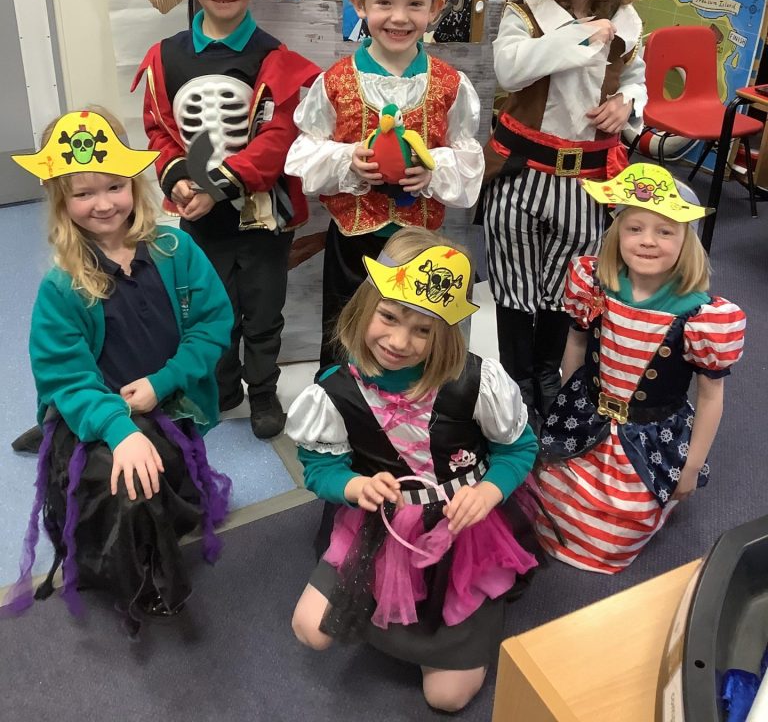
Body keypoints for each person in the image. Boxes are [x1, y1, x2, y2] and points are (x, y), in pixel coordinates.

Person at [286, 228, 538, 712]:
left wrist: (490, 490)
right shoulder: (334, 392)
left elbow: (518, 448)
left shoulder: (476, 381)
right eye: (388, 317)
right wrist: (352, 485)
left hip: (464, 531)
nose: (399, 341)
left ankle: (475, 616)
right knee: (310, 629)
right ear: (366, 306)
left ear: (446, 332)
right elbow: (319, 468)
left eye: (423, 330)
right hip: (382, 527)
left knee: (446, 698)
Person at [3, 109, 233, 631]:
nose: (104, 204)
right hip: (104, 406)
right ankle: (138, 577)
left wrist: (162, 382)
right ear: (61, 201)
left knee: (168, 480)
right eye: (84, 194)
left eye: (114, 187)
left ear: (134, 183)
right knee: (127, 484)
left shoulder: (177, 250)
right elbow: (66, 375)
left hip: (166, 397)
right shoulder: (62, 286)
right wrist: (118, 429)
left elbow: (212, 324)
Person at [132, 0, 319, 439]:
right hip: (199, 209)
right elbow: (159, 128)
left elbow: (279, 137)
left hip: (263, 213)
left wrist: (219, 184)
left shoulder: (275, 58)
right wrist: (179, 180)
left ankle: (262, 392)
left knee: (263, 309)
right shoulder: (166, 56)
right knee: (209, 307)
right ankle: (221, 385)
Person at [483, 0, 649, 422]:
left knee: (565, 283)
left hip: (588, 177)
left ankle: (546, 375)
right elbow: (510, 70)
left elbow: (637, 76)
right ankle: (515, 380)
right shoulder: (524, 3)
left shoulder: (627, 18)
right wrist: (581, 35)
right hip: (522, 170)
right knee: (515, 280)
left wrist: (628, 102)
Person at [284, 0, 484, 369]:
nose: (399, 17)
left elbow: (468, 156)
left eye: (415, 4)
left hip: (420, 246)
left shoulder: (451, 84)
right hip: (353, 243)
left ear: (435, 8)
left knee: (412, 335)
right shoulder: (334, 82)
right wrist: (348, 160)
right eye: (384, 3)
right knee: (345, 328)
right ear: (359, 4)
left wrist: (433, 170)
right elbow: (303, 152)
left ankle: (407, 400)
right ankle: (339, 398)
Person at [533, 165, 746, 573]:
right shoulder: (594, 285)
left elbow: (710, 397)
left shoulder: (701, 318)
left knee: (617, 530)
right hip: (588, 415)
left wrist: (692, 467)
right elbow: (576, 343)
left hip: (650, 433)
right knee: (552, 499)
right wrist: (566, 408)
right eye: (635, 228)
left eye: (665, 231)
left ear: (687, 242)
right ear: (617, 234)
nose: (648, 240)